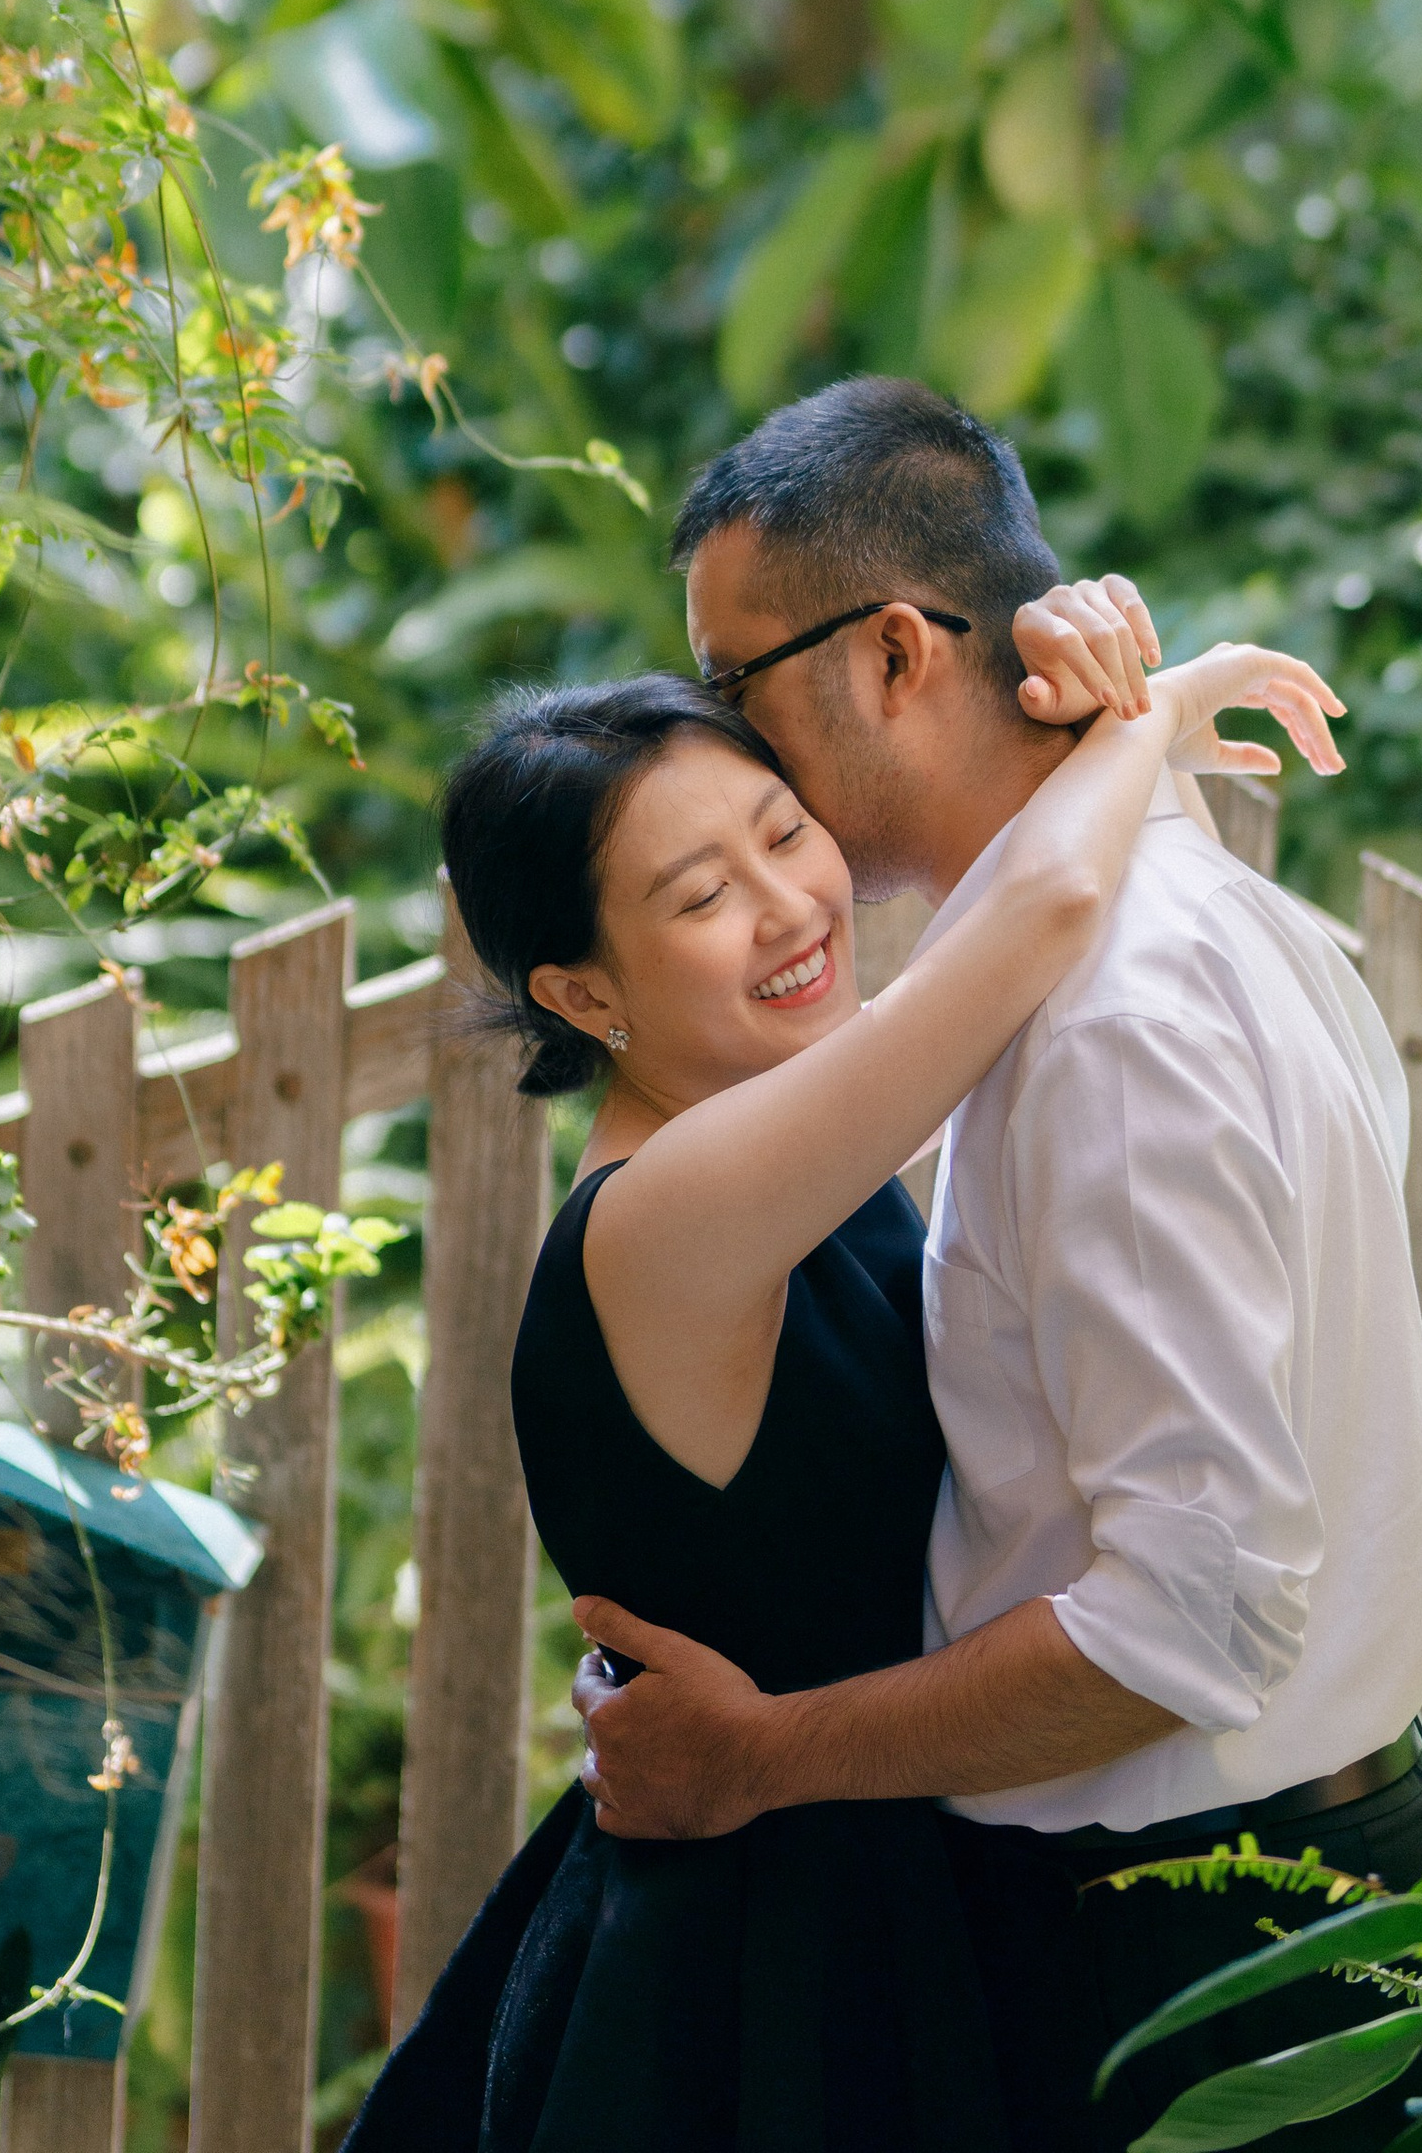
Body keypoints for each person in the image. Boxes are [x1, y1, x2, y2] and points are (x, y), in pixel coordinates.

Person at [572, 377, 1422, 2153]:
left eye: (734, 686)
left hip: (1197, 1959)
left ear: (899, 652)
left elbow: (1187, 1616)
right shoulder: (1184, 915)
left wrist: (763, 1754)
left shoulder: (1112, 1029)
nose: (723, 747)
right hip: (1283, 1884)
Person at [347, 619, 1303, 2153]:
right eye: (702, 896)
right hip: (754, 1969)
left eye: (786, 831)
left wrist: (1054, 659)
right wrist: (1159, 702)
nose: (791, 904)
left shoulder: (781, 1125)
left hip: (865, 1886)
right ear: (586, 996)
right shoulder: (670, 1214)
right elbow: (1046, 902)